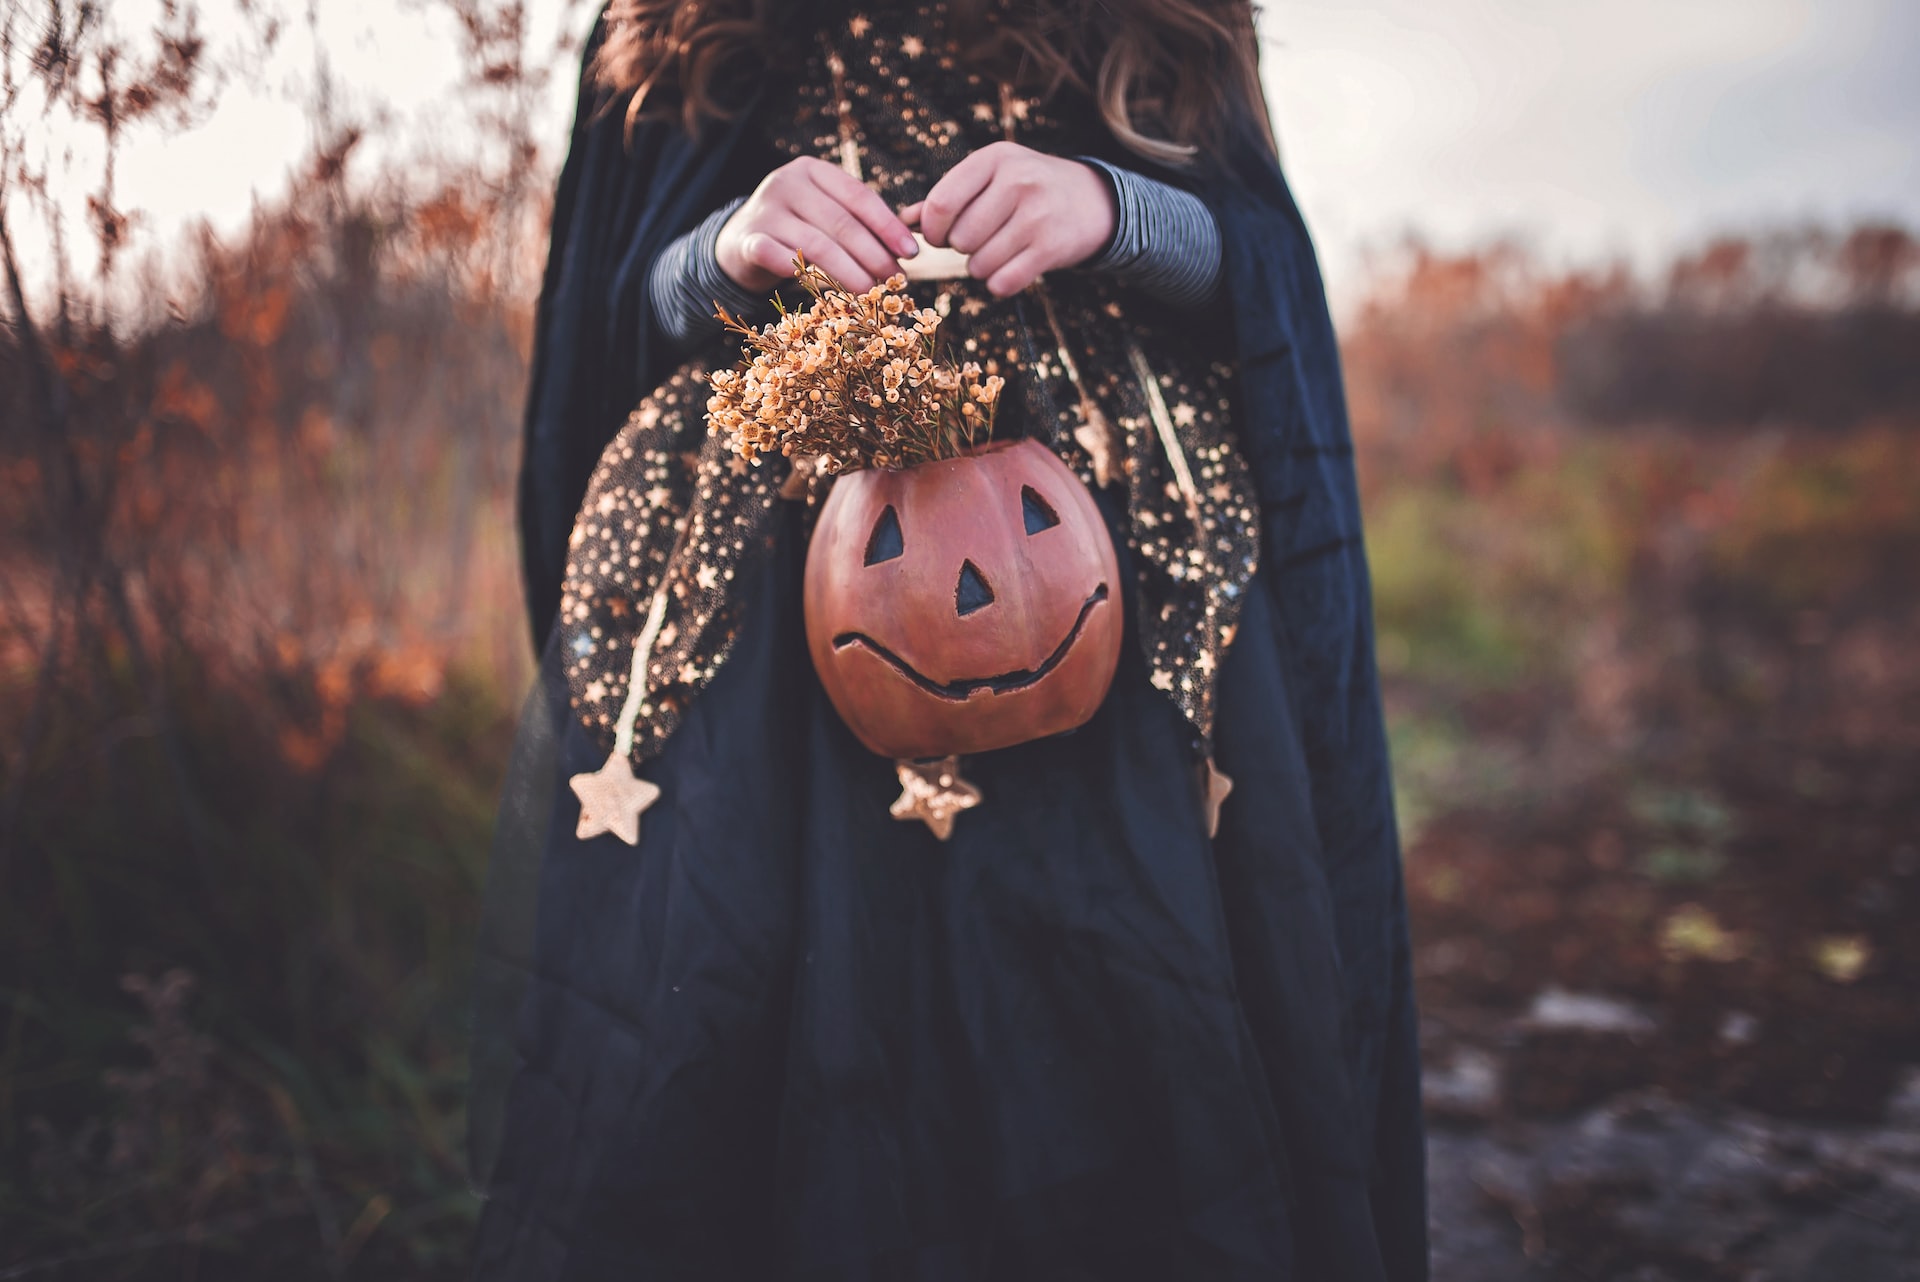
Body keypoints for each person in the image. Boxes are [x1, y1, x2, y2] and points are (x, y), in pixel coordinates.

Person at [471, 1, 1428, 1277]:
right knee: (782, 1040)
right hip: (777, 651)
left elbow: (1262, 267)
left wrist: (1113, 209)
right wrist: (729, 244)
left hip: (1123, 624)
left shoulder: (1155, 21)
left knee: (1122, 1031)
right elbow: (619, 306)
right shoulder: (684, 32)